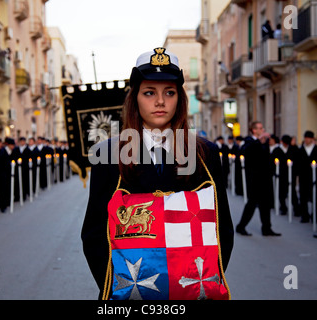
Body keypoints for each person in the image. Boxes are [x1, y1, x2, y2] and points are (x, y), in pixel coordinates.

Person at [81, 47, 234, 300]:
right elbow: (94, 234)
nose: (160, 101)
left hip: (192, 291)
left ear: (180, 99)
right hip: (129, 293)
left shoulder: (205, 154)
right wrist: (121, 290)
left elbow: (222, 228)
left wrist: (200, 285)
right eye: (149, 92)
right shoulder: (107, 153)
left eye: (169, 93)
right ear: (135, 98)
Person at [235, 121, 281, 237]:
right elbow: (247, 151)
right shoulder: (249, 141)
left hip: (265, 178)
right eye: (260, 128)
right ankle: (241, 226)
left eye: (262, 128)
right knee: (252, 203)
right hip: (254, 179)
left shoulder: (263, 142)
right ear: (254, 130)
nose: (263, 130)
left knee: (265, 204)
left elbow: (265, 157)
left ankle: (267, 228)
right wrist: (259, 140)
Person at [297, 131, 317, 223]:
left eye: (308, 138)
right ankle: (305, 215)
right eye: (305, 138)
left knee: (315, 197)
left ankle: (315, 215)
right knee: (303, 197)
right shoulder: (301, 150)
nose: (307, 140)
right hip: (303, 177)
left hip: (314, 177)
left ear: (312, 139)